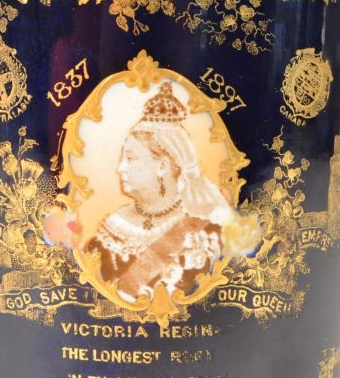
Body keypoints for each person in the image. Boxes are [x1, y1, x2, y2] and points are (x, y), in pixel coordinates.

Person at [84, 81, 233, 302]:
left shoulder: (207, 229)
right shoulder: (111, 229)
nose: (120, 168)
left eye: (131, 158)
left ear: (162, 166)